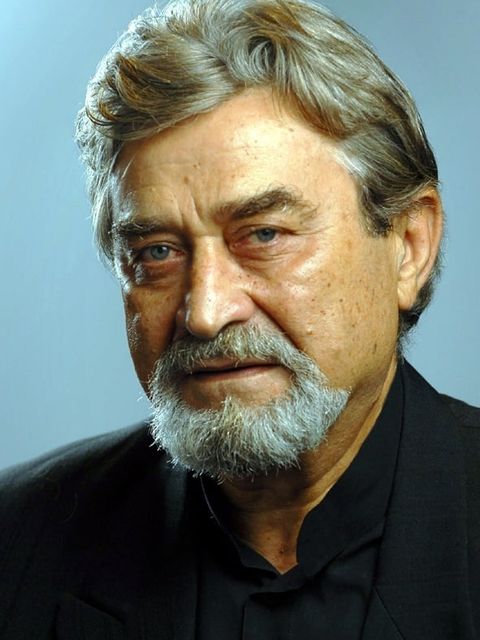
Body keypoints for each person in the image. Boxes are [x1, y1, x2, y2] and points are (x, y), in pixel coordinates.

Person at [1, 0, 479, 638]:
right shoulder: (17, 541)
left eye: (263, 234)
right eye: (157, 252)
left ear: (409, 247)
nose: (205, 312)